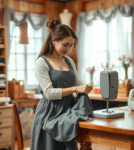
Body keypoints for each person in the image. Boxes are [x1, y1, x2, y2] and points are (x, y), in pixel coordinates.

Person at [30, 17, 93, 150]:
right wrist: (76, 88)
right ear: (54, 41)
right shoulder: (41, 62)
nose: (68, 49)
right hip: (50, 113)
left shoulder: (69, 61)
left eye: (71, 45)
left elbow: (77, 84)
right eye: (65, 45)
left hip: (68, 113)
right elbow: (49, 94)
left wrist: (84, 88)